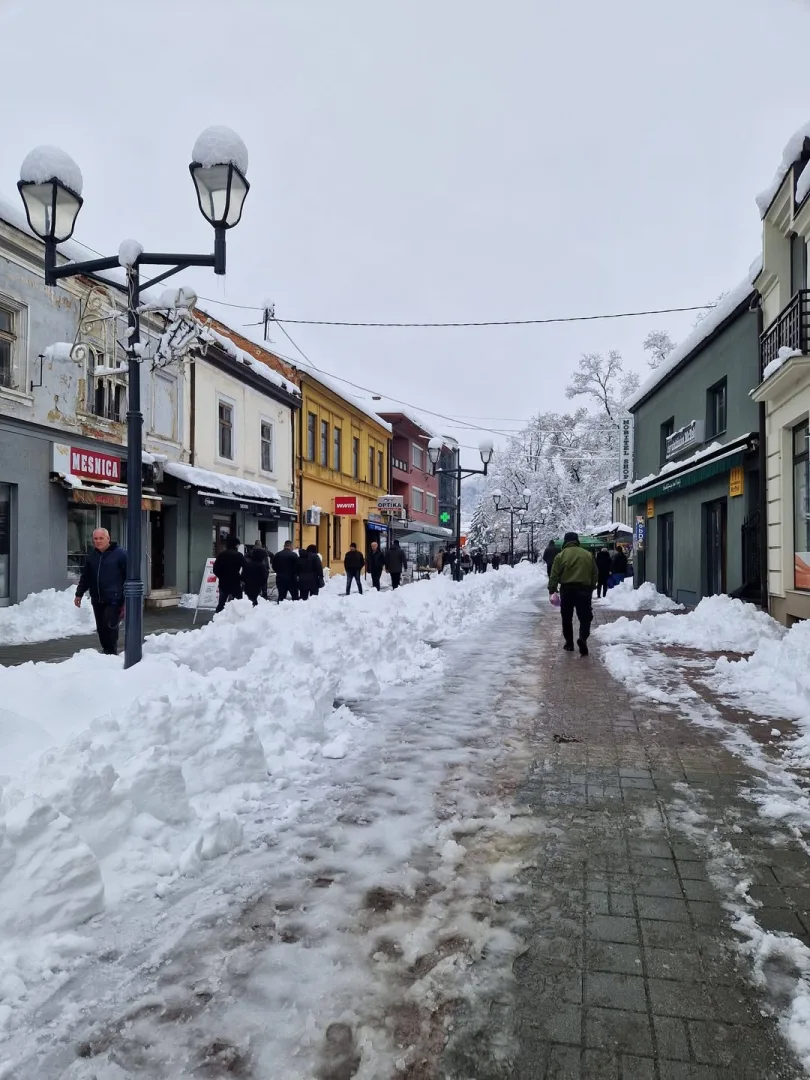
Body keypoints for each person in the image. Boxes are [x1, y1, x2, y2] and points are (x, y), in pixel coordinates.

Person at [74, 528, 127, 655]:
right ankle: (106, 652)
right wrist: (79, 594)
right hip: (97, 598)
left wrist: (126, 600)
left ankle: (111, 653)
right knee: (101, 629)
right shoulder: (92, 556)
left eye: (101, 538)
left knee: (109, 626)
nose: (98, 541)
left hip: (114, 599)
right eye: (95, 539)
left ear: (108, 539)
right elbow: (85, 577)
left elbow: (129, 577)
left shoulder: (120, 554)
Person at [548, 531, 598, 655]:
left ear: (565, 541)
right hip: (584, 590)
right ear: (577, 541)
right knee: (585, 617)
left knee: (567, 618)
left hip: (567, 590)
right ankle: (583, 639)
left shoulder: (561, 555)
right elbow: (595, 572)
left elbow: (554, 574)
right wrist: (592, 586)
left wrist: (552, 588)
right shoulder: (588, 555)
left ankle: (569, 643)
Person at [212, 535, 246, 612]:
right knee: (238, 602)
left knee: (222, 602)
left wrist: (221, 576)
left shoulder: (221, 555)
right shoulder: (238, 555)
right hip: (235, 581)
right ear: (236, 545)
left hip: (223, 582)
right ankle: (238, 618)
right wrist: (241, 578)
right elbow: (246, 567)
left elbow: (215, 569)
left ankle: (217, 618)